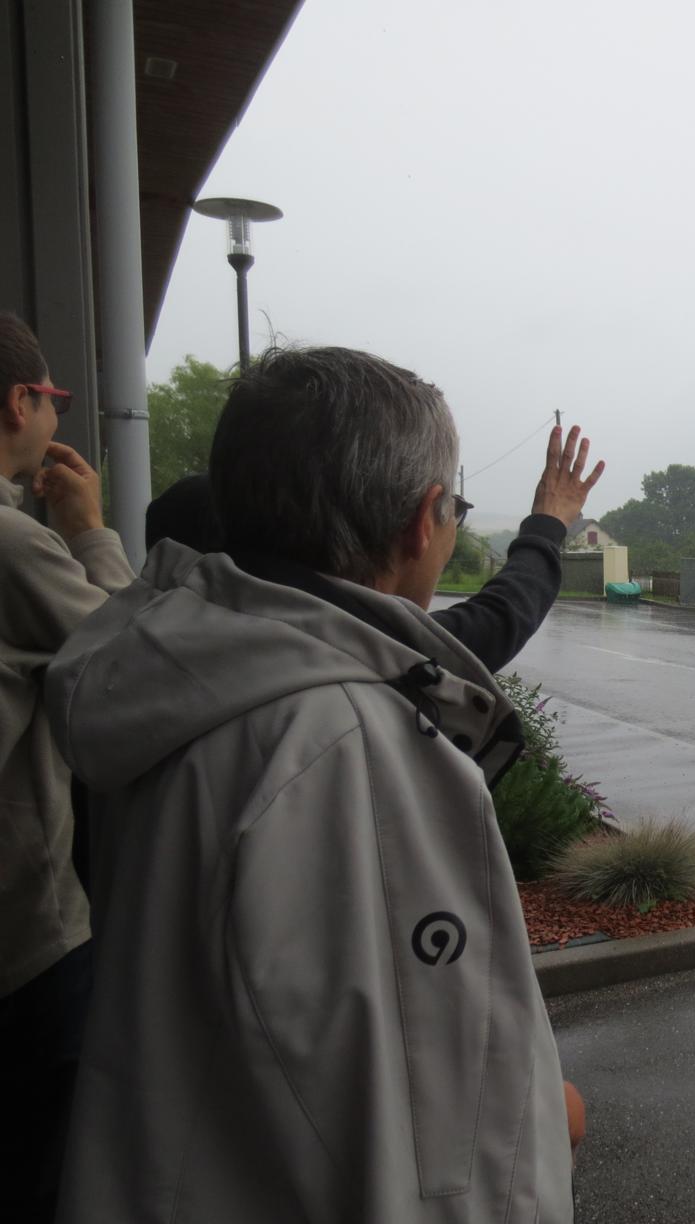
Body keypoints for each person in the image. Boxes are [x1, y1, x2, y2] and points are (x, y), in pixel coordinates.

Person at [45, 346, 586, 1223]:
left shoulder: (161, 678)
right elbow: (440, 1143)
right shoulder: (352, 747)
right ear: (425, 520)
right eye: (457, 504)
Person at [0, 312, 135, 1224]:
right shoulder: (14, 548)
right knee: (45, 1168)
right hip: (24, 942)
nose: (59, 417)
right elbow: (141, 667)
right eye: (56, 399)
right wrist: (89, 532)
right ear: (20, 402)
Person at [145, 419, 603, 674]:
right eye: (454, 509)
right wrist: (547, 522)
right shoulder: (340, 659)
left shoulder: (138, 645)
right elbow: (498, 619)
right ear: (423, 521)